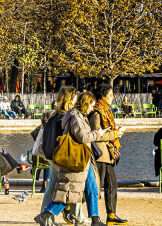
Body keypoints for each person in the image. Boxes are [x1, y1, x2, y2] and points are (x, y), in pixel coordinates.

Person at [35, 92, 108, 226]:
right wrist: (98, 134)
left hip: (83, 159)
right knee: (70, 191)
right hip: (76, 159)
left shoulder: (77, 115)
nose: (92, 109)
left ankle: (95, 218)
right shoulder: (75, 116)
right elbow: (83, 137)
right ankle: (46, 214)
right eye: (91, 106)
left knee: (90, 188)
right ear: (85, 104)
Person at [89, 84, 128, 225]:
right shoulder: (97, 112)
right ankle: (90, 215)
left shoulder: (105, 110)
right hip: (100, 153)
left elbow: (105, 130)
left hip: (108, 153)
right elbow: (96, 135)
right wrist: (116, 133)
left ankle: (111, 214)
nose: (113, 98)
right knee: (94, 187)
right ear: (103, 96)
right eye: (110, 95)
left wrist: (115, 131)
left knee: (112, 185)